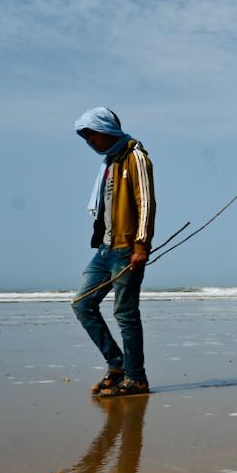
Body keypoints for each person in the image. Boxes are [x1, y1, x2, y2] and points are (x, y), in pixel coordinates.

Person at [72, 107, 155, 397]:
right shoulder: (109, 163)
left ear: (106, 130)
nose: (90, 142)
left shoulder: (136, 157)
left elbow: (145, 203)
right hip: (105, 249)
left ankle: (136, 378)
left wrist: (141, 246)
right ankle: (117, 364)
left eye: (91, 135)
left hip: (127, 248)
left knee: (125, 313)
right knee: (82, 304)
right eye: (85, 138)